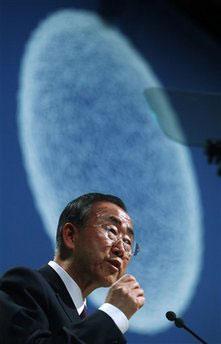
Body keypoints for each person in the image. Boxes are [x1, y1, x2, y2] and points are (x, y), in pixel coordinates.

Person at [0, 193, 145, 343]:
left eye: (128, 241)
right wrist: (112, 314)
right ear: (70, 235)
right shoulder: (23, 286)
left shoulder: (100, 330)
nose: (121, 249)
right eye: (112, 231)